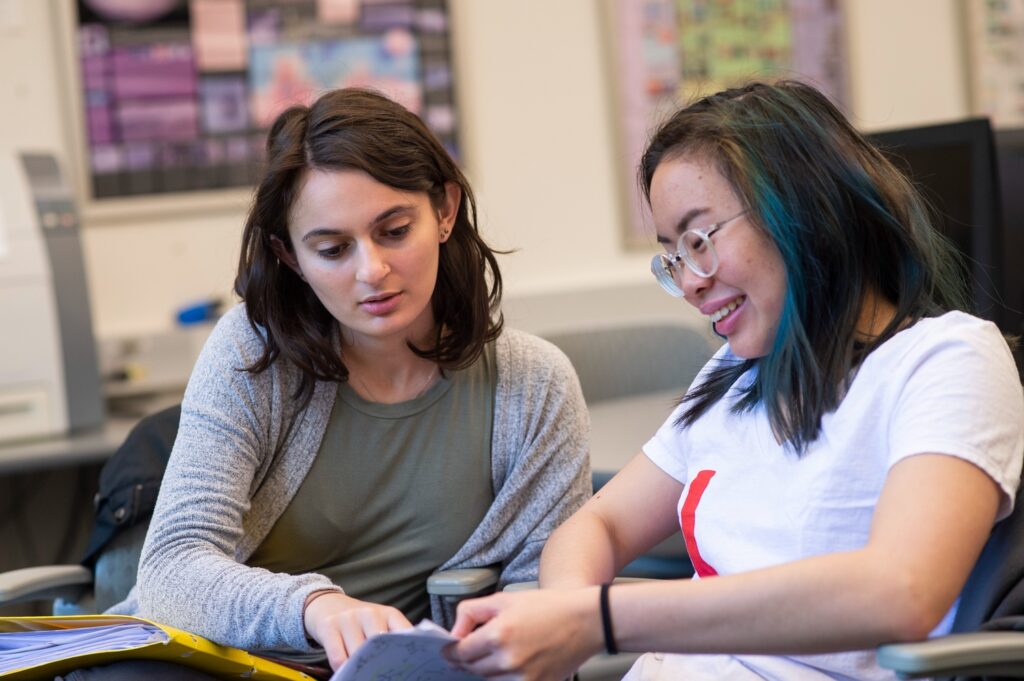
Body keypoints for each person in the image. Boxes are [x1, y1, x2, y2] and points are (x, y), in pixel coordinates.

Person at [445, 80, 1024, 681]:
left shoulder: (947, 359)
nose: (690, 282)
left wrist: (603, 618)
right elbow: (598, 525)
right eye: (672, 257)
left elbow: (902, 590)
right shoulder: (737, 372)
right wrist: (567, 611)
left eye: (698, 240)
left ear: (806, 209)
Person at [80, 87, 591, 678]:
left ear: (445, 211)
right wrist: (314, 608)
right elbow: (172, 569)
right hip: (222, 667)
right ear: (291, 256)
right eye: (332, 249)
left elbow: (541, 604)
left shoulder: (535, 386)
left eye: (395, 231)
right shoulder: (254, 352)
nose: (371, 271)